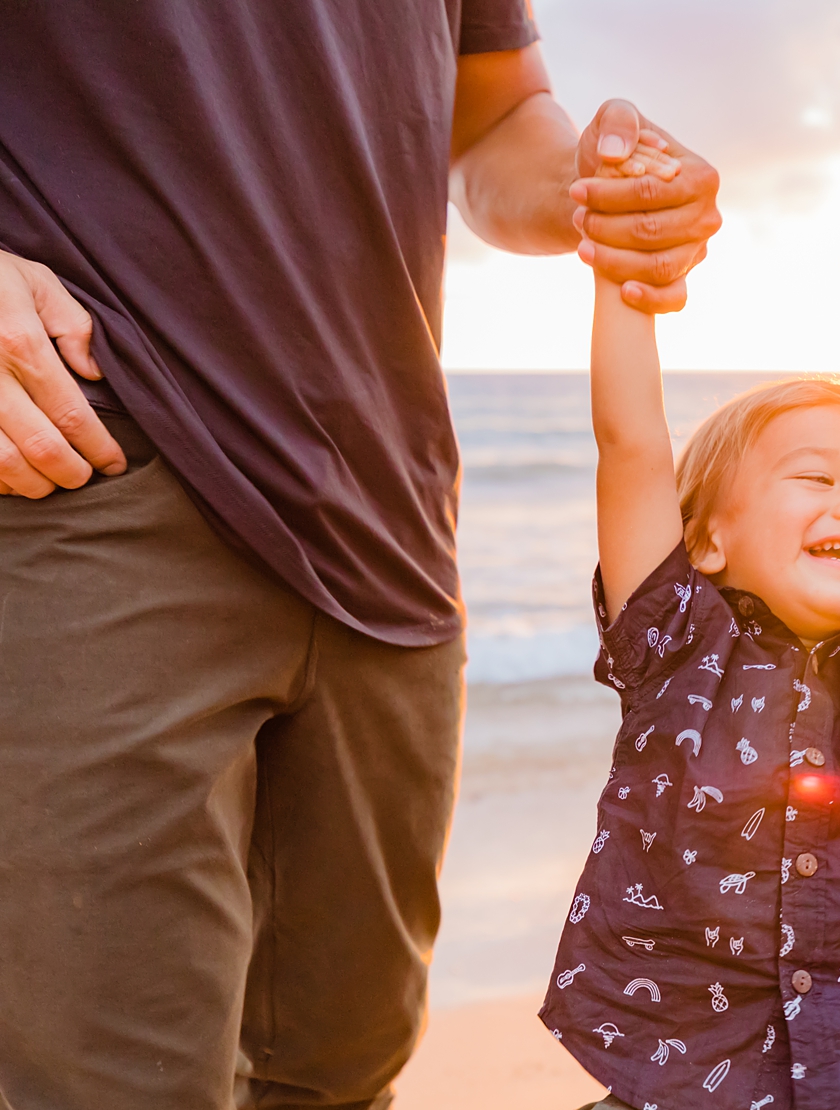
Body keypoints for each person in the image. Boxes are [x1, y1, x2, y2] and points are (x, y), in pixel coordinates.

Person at [0, 6, 719, 1109]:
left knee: (341, 1076)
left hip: (386, 516)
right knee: (110, 1084)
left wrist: (595, 178)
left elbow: (492, 121)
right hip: (90, 468)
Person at [539, 180, 840, 1110]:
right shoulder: (672, 641)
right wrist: (629, 277)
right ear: (707, 539)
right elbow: (631, 447)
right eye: (814, 476)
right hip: (674, 1061)